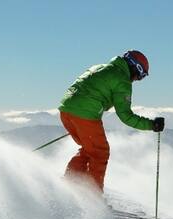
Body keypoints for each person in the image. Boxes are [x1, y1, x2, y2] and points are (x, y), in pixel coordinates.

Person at [57, 50, 165, 192]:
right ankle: (93, 196)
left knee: (89, 150)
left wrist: (79, 116)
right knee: (100, 152)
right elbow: (125, 116)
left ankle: (70, 185)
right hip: (85, 115)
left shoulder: (100, 67)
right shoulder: (122, 80)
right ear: (135, 67)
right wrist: (152, 125)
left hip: (66, 110)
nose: (137, 80)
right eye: (141, 76)